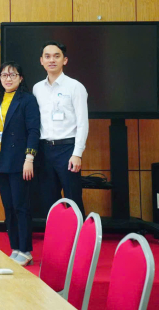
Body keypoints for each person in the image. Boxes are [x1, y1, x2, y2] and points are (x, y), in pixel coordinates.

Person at [0, 61, 41, 266]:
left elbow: (33, 131)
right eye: (4, 75)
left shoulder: (27, 100)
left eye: (12, 75)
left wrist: (29, 158)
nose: (8, 79)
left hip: (20, 161)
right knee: (9, 207)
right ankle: (15, 248)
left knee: (21, 206)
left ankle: (26, 250)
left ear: (20, 78)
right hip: (1, 161)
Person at [32, 40, 89, 217]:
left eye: (56, 56)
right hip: (44, 150)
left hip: (67, 149)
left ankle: (79, 233)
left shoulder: (75, 87)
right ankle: (56, 234)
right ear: (41, 61)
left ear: (65, 60)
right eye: (47, 56)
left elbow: (83, 122)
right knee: (49, 199)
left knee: (73, 197)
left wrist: (77, 153)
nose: (52, 60)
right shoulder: (37, 88)